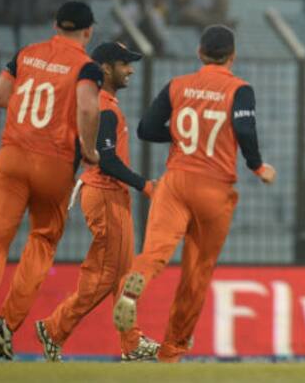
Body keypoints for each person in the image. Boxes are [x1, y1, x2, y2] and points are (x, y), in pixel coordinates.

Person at [112, 25, 276, 362]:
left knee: (156, 250)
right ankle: (171, 351)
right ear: (233, 56)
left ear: (199, 53)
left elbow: (145, 129)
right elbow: (244, 128)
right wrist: (258, 166)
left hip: (174, 181)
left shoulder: (177, 85)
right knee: (197, 272)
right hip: (214, 188)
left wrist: (179, 134)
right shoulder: (240, 89)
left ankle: (137, 278)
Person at [0, 1, 101, 359]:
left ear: (55, 25)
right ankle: (6, 322)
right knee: (42, 239)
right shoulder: (87, 66)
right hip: (54, 163)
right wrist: (90, 148)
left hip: (13, 156)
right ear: (89, 31)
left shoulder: (27, 53)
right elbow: (87, 107)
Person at [34, 42, 159, 362]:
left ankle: (131, 344)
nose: (130, 69)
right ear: (105, 68)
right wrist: (145, 185)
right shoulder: (104, 107)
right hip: (105, 194)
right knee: (106, 277)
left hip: (109, 194)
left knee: (122, 275)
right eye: (124, 64)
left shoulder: (104, 104)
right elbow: (105, 160)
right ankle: (54, 327)